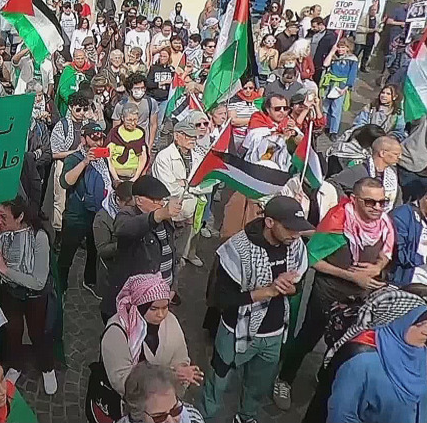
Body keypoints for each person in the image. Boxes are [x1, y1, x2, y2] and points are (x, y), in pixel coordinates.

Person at [273, 178, 394, 410]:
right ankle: (285, 379)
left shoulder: (383, 222)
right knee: (308, 338)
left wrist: (378, 268)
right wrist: (352, 276)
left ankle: (326, 374)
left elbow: (387, 250)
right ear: (355, 200)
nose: (378, 208)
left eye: (382, 202)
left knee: (345, 342)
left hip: (360, 298)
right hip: (329, 293)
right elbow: (312, 258)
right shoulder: (338, 222)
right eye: (371, 203)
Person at [200, 196, 311, 423]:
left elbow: (298, 285)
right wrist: (266, 292)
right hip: (234, 330)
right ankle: (206, 417)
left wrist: (290, 288)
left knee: (258, 384)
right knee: (219, 380)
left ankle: (246, 416)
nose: (295, 235)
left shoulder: (296, 246)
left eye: (299, 230)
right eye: (289, 228)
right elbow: (221, 299)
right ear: (269, 222)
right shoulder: (237, 249)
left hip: (273, 333)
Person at [302, 286, 427, 423]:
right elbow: (341, 415)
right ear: (400, 322)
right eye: (420, 324)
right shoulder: (360, 361)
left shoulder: (418, 351)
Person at [102, 273, 202, 399]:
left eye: (165, 307)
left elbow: (181, 357)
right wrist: (170, 375)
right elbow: (121, 381)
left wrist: (182, 374)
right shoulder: (117, 333)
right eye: (154, 309)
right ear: (141, 306)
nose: (161, 314)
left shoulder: (170, 321)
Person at [0, 197, 56, 393]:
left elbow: (38, 281)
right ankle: (15, 365)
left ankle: (47, 367)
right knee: (13, 332)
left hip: (34, 297)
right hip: (9, 294)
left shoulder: (39, 237)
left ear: (19, 217)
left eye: (4, 217)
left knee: (38, 333)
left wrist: (6, 270)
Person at [101, 176, 182, 320]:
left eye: (162, 200)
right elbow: (124, 229)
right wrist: (157, 215)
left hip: (160, 296)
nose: (161, 204)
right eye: (156, 201)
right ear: (139, 200)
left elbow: (171, 254)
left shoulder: (166, 221)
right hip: (134, 299)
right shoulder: (127, 214)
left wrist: (172, 287)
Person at [59, 122, 111, 297]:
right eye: (93, 138)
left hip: (98, 213)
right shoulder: (73, 158)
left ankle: (90, 280)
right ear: (83, 138)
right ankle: (61, 285)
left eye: (101, 138)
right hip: (77, 214)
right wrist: (85, 162)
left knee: (94, 250)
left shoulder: (104, 158)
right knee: (67, 253)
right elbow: (65, 182)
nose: (98, 141)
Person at [152, 121, 203, 267]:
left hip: (189, 213)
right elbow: (169, 188)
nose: (193, 139)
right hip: (169, 214)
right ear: (176, 136)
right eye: (188, 136)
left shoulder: (198, 155)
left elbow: (204, 184)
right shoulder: (164, 157)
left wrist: (185, 184)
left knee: (179, 251)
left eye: (194, 137)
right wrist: (191, 186)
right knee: (164, 250)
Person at [49, 93, 91, 231]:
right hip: (64, 163)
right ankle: (59, 231)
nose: (81, 113)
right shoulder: (62, 125)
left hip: (83, 165)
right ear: (70, 108)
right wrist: (75, 152)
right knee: (60, 201)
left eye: (84, 109)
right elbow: (54, 153)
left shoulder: (88, 124)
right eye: (78, 109)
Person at [116, 363, 205, 423]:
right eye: (159, 417)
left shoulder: (194, 419)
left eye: (175, 410)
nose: (171, 421)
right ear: (139, 416)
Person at [321, 38, 360, 140]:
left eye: (343, 47)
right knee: (326, 107)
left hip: (341, 85)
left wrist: (346, 88)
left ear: (348, 48)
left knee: (336, 109)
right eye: (339, 47)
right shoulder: (334, 57)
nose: (340, 49)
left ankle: (334, 131)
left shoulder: (352, 59)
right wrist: (332, 51)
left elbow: (352, 74)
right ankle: (327, 126)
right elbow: (325, 64)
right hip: (330, 83)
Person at [107, 103, 149, 182]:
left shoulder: (140, 133)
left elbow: (143, 157)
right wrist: (116, 179)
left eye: (135, 120)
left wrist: (135, 178)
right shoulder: (114, 133)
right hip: (115, 175)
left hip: (133, 176)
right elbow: (108, 157)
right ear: (123, 118)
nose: (133, 123)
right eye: (129, 120)